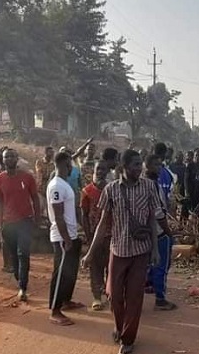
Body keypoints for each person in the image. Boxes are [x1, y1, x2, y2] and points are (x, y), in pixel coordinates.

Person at [87, 149, 160, 354]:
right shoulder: (110, 190)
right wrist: (90, 252)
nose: (140, 168)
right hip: (117, 250)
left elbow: (152, 220)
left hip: (140, 251)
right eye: (136, 164)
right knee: (113, 294)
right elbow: (102, 223)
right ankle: (119, 327)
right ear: (125, 166)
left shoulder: (148, 187)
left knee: (135, 296)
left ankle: (128, 339)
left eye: (140, 164)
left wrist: (155, 250)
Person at [0, 148, 41, 302]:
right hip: (8, 223)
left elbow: (35, 198)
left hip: (25, 220)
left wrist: (38, 218)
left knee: (23, 253)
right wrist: (0, 222)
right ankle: (19, 278)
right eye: (7, 157)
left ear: (17, 159)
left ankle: (23, 287)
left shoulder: (27, 177)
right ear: (3, 160)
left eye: (13, 156)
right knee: (14, 255)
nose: (10, 159)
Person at [47, 152, 83, 326]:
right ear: (64, 165)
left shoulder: (64, 184)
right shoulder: (56, 186)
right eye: (70, 165)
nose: (72, 168)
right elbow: (58, 216)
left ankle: (66, 301)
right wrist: (66, 239)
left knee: (70, 272)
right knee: (60, 273)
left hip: (71, 234)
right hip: (62, 236)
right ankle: (55, 310)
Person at [144, 154, 177, 311]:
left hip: (147, 231)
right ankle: (160, 299)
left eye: (160, 164)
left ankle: (149, 285)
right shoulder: (152, 186)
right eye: (156, 165)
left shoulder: (145, 184)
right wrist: (168, 231)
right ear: (148, 166)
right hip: (158, 231)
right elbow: (158, 213)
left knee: (149, 264)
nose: (159, 168)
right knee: (161, 265)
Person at [80, 161, 111, 311]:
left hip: (111, 235)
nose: (100, 172)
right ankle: (97, 297)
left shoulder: (112, 190)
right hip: (94, 235)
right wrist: (88, 235)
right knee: (95, 267)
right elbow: (84, 215)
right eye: (98, 168)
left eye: (103, 169)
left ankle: (111, 293)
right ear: (94, 170)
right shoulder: (87, 191)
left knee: (111, 267)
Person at [184, 149, 199, 214]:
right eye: (196, 155)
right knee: (187, 211)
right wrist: (187, 192)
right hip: (190, 191)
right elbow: (186, 180)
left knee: (197, 211)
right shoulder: (190, 166)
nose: (198, 157)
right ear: (194, 156)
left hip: (198, 193)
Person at [35, 147, 55, 215]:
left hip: (50, 189)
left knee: (50, 209)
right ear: (46, 153)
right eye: (50, 152)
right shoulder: (39, 162)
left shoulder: (54, 164)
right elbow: (40, 174)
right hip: (41, 189)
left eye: (52, 152)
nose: (52, 154)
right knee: (40, 208)